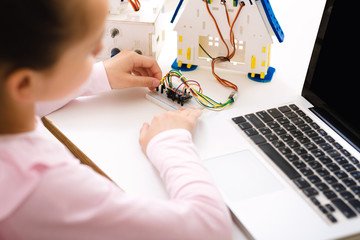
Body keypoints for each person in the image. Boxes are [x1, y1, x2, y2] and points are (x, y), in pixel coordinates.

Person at [0, 0, 232, 239]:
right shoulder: (44, 189)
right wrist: (170, 142)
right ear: (25, 83)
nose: (101, 47)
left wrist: (99, 74)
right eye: (88, 50)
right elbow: (209, 229)